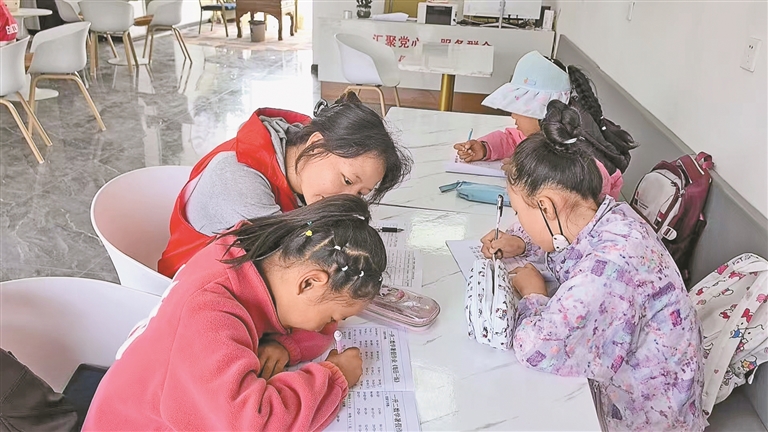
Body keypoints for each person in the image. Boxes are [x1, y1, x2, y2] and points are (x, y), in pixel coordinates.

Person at [480, 101, 705, 431]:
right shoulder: (612, 216)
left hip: (645, 416)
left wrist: (532, 293)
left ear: (546, 207)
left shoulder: (609, 267)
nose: (518, 221)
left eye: (519, 212)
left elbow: (538, 349)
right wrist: (523, 242)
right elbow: (568, 249)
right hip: (647, 386)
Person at [84, 195, 387, 431]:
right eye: (333, 317)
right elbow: (253, 423)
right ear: (309, 283)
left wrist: (286, 344)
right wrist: (334, 378)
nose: (330, 327)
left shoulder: (245, 253)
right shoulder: (208, 314)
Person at [158, 91, 412, 278]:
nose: (346, 200)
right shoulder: (240, 176)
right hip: (189, 297)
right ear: (316, 144)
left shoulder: (295, 154)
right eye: (347, 180)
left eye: (360, 193)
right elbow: (291, 266)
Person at [453, 50, 636, 200]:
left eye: (520, 108)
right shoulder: (552, 127)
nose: (513, 115)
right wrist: (484, 148)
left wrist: (524, 174)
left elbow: (576, 190)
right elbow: (513, 139)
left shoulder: (579, 146)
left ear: (542, 110)